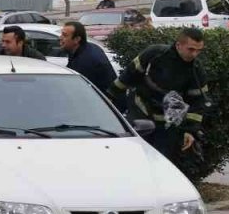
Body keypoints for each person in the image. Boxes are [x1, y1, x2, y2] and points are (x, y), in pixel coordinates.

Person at [109, 28, 209, 162]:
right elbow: (128, 75)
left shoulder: (196, 70)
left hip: (167, 126)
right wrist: (109, 97)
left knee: (160, 162)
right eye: (191, 49)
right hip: (140, 114)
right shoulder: (155, 54)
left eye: (198, 50)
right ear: (178, 45)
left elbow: (198, 102)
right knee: (135, 158)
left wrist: (190, 130)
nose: (194, 54)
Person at [60, 21, 117, 94]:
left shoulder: (86, 61)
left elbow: (78, 92)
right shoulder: (87, 48)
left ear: (76, 39)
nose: (60, 37)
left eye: (64, 35)